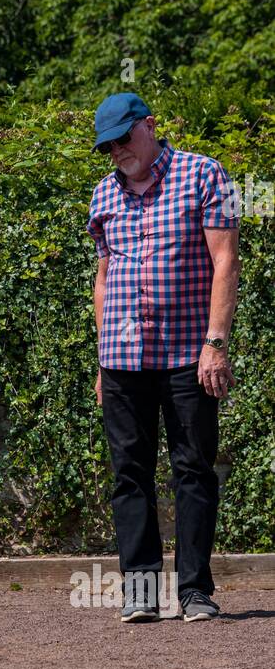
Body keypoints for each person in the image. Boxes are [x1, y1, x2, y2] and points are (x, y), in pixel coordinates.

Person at [88, 92, 240, 625]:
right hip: (123, 358)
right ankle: (141, 592)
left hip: (186, 352)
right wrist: (103, 355)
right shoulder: (103, 194)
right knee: (129, 473)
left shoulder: (204, 175)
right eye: (107, 146)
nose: (117, 152)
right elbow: (104, 279)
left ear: (149, 126)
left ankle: (196, 591)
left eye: (124, 139)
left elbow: (225, 262)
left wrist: (215, 342)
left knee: (193, 468)